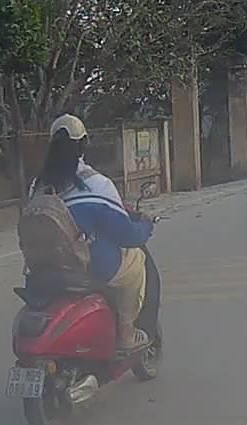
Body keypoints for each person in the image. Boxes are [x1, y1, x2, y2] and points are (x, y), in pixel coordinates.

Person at [31, 114, 154, 352]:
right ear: (84, 145)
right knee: (136, 260)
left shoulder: (37, 186)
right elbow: (128, 235)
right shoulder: (97, 184)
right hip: (88, 268)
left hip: (44, 269)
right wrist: (146, 227)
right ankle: (126, 332)